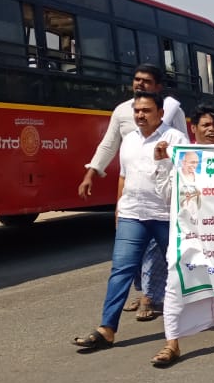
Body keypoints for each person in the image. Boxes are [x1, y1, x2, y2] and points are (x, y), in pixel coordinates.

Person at [72, 92, 189, 351]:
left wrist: (164, 160)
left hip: (165, 216)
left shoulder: (175, 139)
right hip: (132, 214)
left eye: (146, 111)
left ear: (160, 113)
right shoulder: (130, 140)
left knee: (180, 269)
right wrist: (118, 207)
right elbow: (124, 177)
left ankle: (199, 319)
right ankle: (107, 328)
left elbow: (185, 178)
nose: (140, 115)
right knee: (121, 270)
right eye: (137, 110)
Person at [149, 105, 214, 366]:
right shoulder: (183, 158)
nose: (211, 130)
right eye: (205, 125)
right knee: (175, 284)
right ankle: (172, 343)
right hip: (188, 235)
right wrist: (160, 163)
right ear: (194, 129)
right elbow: (167, 194)